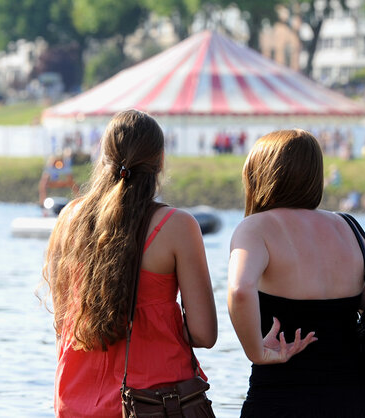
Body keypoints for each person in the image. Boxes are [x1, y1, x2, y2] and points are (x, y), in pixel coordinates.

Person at [43, 109, 217, 417]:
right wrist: (160, 319)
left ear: (103, 157)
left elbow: (61, 324)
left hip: (75, 399)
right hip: (156, 400)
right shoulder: (176, 227)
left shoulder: (68, 219)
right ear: (160, 161)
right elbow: (204, 334)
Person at [228, 129, 365, 417]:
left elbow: (240, 291)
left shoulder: (256, 228)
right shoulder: (349, 228)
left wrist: (257, 352)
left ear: (260, 173)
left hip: (281, 397)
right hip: (353, 398)